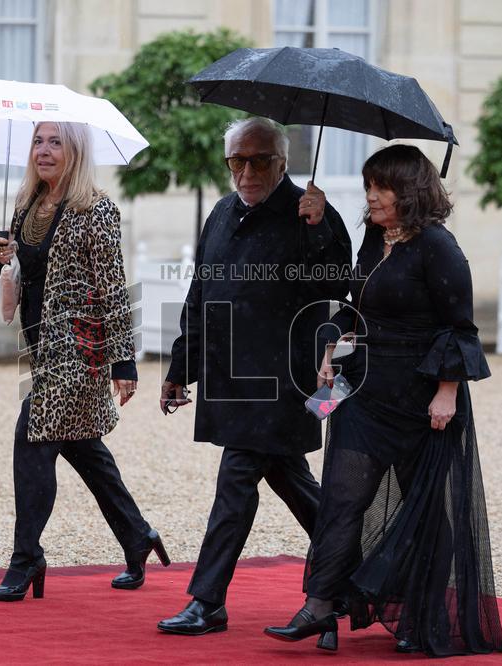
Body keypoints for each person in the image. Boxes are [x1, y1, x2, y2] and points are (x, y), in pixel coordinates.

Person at [263, 144, 502, 656]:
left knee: (427, 511)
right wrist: (332, 348)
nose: (371, 197)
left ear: (410, 192)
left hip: (421, 402)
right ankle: (320, 604)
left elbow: (460, 329)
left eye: (382, 188)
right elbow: (358, 304)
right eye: (368, 186)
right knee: (341, 498)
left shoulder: (439, 247)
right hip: (364, 392)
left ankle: (423, 613)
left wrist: (447, 393)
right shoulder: (375, 237)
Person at [157, 117, 352, 635]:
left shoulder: (310, 212)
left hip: (282, 381)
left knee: (237, 480)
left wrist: (319, 225)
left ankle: (207, 601)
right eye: (237, 160)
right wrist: (181, 367)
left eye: (260, 160)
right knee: (292, 480)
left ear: (282, 163)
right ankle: (361, 571)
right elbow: (200, 295)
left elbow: (338, 284)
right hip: (230, 377)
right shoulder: (222, 212)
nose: (247, 171)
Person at [0, 121, 169, 602]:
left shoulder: (97, 209)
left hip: (80, 351)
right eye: (37, 141)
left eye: (56, 142)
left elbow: (113, 287)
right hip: (41, 347)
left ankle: (26, 558)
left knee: (32, 436)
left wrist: (123, 363)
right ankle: (137, 534)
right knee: (81, 446)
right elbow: (25, 276)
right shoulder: (26, 205)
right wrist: (2, 258)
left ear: (77, 151)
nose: (43, 151)